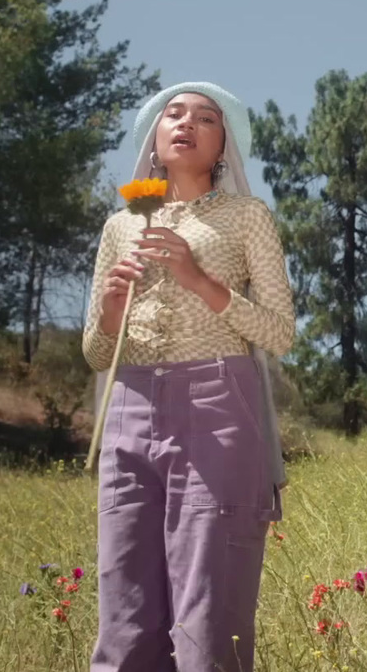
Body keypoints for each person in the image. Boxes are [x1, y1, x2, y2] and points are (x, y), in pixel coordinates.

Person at [81, 81, 295, 672]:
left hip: (218, 406)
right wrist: (111, 310)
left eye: (205, 118)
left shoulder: (248, 217)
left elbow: (280, 332)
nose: (186, 123)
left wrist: (200, 280)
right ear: (154, 136)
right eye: (173, 113)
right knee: (123, 606)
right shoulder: (119, 226)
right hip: (128, 404)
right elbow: (97, 353)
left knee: (208, 604)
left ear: (223, 146)